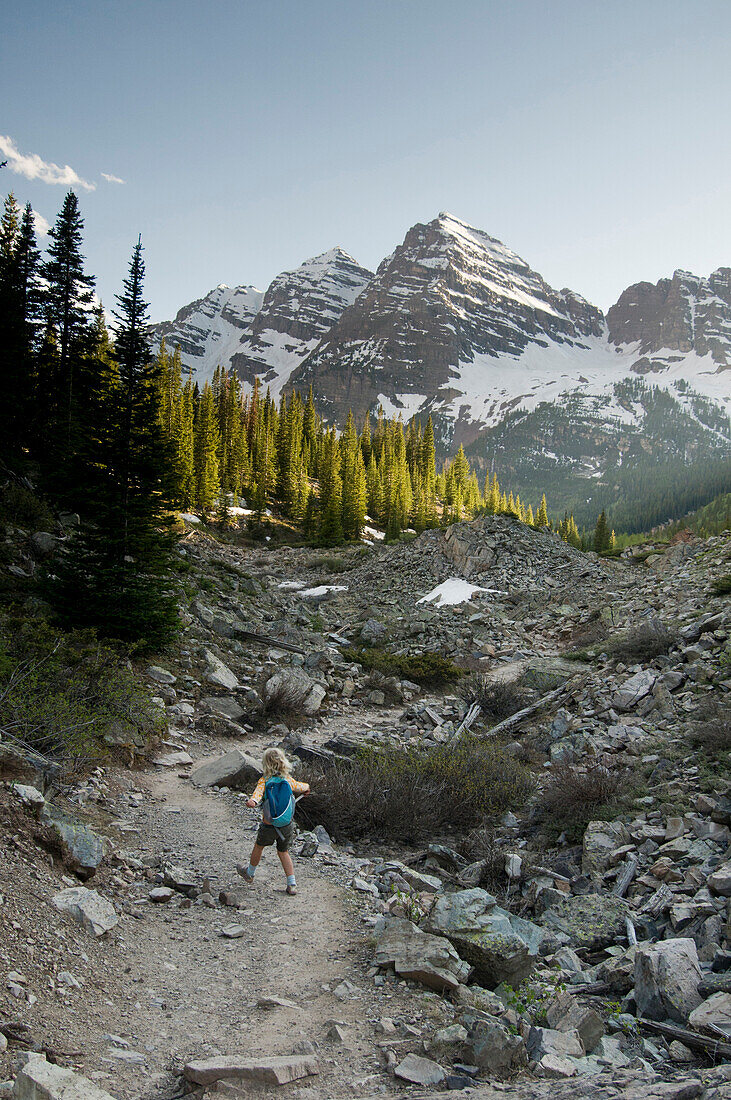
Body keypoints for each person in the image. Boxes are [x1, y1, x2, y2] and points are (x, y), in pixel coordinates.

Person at [237, 747, 310, 896]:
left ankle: (250, 873)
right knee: (283, 852)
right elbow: (302, 787)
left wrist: (252, 801)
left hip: (269, 824)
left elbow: (257, 795)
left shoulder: (264, 780)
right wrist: (307, 788)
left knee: (259, 846)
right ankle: (292, 884)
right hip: (286, 824)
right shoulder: (287, 780)